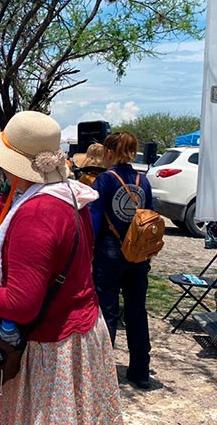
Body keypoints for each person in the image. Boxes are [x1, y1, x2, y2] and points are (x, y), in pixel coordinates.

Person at [0, 111, 122, 424]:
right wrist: (2, 263)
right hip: (81, 332)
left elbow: (21, 305)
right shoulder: (71, 196)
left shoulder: (35, 213)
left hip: (52, 346)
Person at [90, 131, 154, 389]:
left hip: (109, 254)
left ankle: (103, 373)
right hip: (138, 254)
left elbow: (94, 220)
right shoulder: (144, 181)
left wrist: (88, 252)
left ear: (108, 152)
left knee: (107, 312)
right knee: (137, 310)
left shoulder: (105, 181)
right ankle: (140, 371)